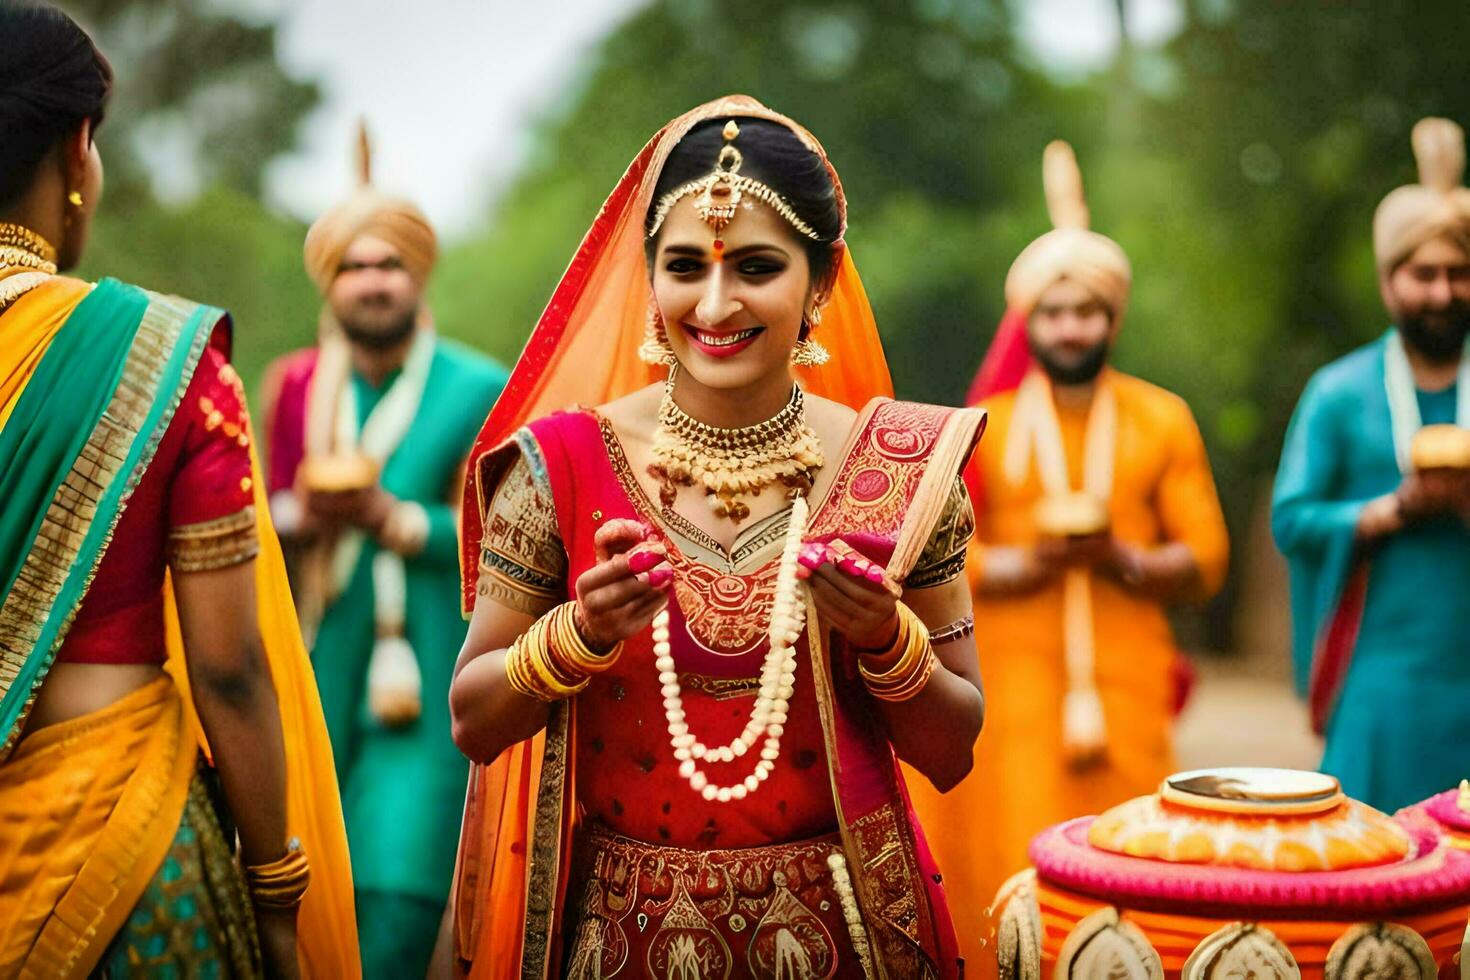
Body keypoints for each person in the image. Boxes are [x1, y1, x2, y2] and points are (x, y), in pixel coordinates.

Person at [439, 95, 986, 978]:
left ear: (822, 278)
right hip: (618, 942)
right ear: (646, 276)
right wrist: (577, 637)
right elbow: (473, 720)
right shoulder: (560, 468)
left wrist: (885, 640)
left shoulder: (903, 468)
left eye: (758, 268)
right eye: (684, 266)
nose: (716, 303)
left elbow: (954, 748)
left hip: (846, 937)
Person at [0, 4, 357, 976]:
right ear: (78, 152)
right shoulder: (154, 357)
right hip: (121, 858)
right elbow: (230, 665)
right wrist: (279, 893)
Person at [908, 141, 1229, 967]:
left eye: (1087, 311)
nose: (1070, 327)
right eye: (1052, 313)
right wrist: (1024, 564)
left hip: (1124, 685)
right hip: (1011, 688)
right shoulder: (987, 427)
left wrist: (1120, 555)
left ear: (1112, 319)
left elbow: (1208, 559)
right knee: (1006, 864)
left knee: (1131, 862)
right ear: (1029, 323)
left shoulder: (1163, 419)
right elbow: (931, 562)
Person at [261, 123, 508, 975]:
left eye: (389, 265)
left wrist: (397, 520)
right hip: (318, 663)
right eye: (356, 267)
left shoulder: (477, 386)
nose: (374, 282)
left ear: (418, 276)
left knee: (398, 901)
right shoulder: (293, 385)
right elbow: (259, 515)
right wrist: (307, 516)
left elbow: (507, 538)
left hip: (423, 674)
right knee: (305, 896)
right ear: (330, 283)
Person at [1273, 117, 1470, 814]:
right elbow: (1290, 520)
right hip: (1380, 679)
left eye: (1458, 273)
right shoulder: (1341, 391)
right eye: (1424, 274)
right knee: (1379, 867)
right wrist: (1393, 510)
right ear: (1390, 282)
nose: (1442, 293)